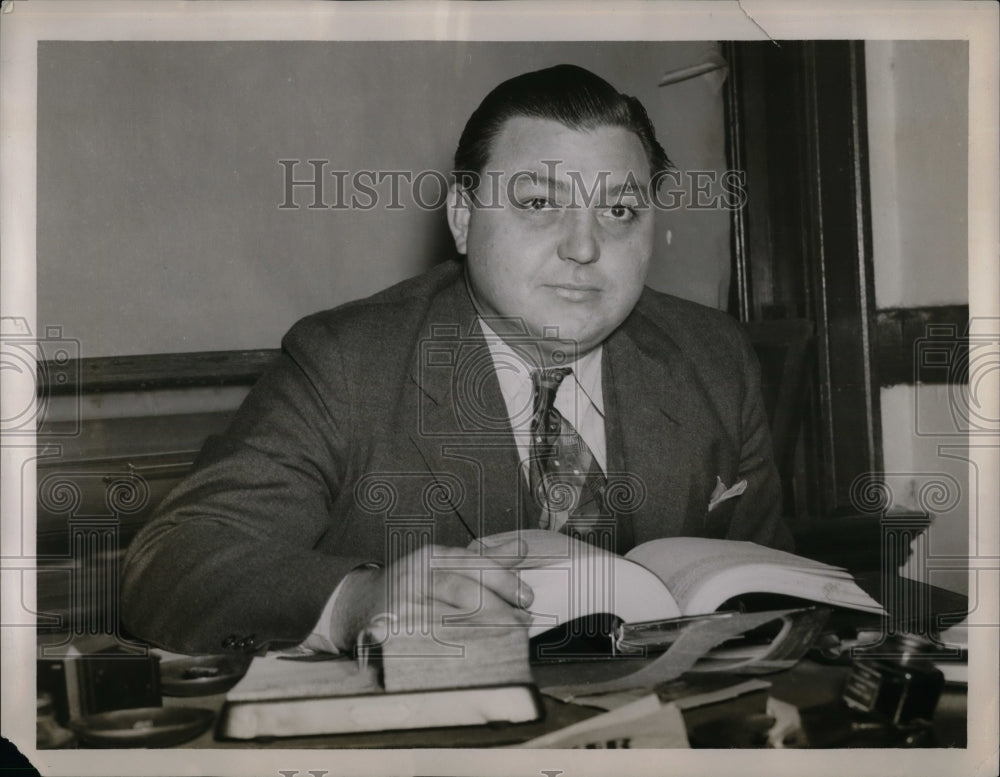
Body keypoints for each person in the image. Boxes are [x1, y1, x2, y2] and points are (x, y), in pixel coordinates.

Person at [121, 64, 792, 658]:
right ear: (464, 218)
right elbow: (171, 564)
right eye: (539, 203)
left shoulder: (713, 358)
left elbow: (770, 586)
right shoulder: (348, 363)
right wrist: (358, 602)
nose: (586, 247)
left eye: (620, 209)